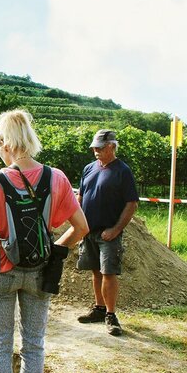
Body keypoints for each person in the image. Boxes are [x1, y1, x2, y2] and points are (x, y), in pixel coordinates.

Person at [0, 109, 88, 373]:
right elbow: (82, 228)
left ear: (8, 143)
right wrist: (56, 251)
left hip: (2, 270)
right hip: (40, 271)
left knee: (0, 346)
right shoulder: (56, 177)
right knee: (34, 346)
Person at [76, 129, 138, 336]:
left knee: (108, 272)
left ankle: (111, 315)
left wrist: (115, 230)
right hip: (89, 230)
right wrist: (79, 223)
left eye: (100, 147)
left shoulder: (123, 171)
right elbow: (81, 195)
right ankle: (99, 309)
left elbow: (131, 203)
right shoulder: (88, 168)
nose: (95, 150)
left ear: (112, 146)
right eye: (94, 147)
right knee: (95, 270)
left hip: (108, 232)